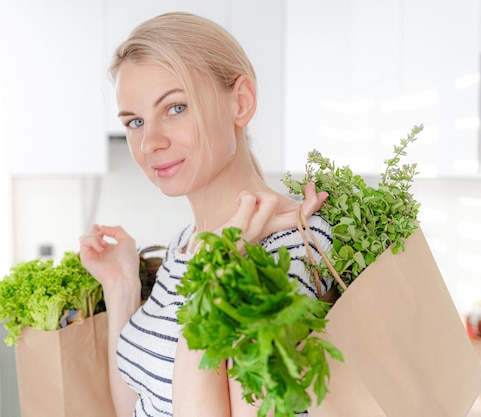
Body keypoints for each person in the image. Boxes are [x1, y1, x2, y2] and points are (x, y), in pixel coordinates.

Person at [79, 11, 334, 417]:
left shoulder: (294, 245)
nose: (149, 142)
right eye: (135, 121)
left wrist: (219, 272)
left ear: (241, 103)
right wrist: (121, 287)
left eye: (176, 107)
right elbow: (140, 403)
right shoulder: (185, 243)